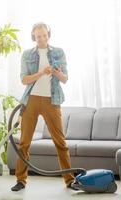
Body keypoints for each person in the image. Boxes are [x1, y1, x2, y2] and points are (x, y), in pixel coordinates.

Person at [11, 22, 78, 191]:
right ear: (33, 36)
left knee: (60, 142)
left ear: (49, 34)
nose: (42, 39)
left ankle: (69, 180)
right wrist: (41, 73)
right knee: (24, 142)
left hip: (51, 101)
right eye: (38, 36)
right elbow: (24, 80)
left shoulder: (58, 52)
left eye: (44, 35)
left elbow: (65, 79)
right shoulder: (27, 54)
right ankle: (21, 180)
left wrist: (55, 72)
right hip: (32, 100)